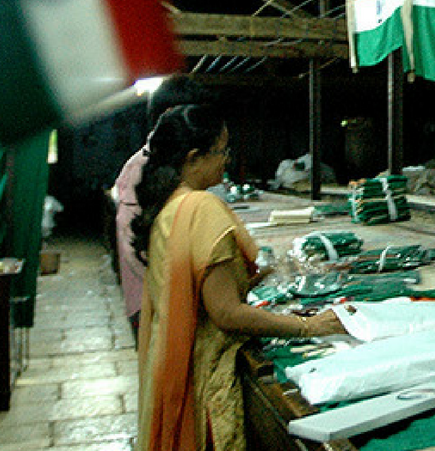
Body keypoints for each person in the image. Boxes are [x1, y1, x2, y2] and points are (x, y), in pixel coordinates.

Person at [134, 104, 347, 451]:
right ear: (193, 158)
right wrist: (308, 327)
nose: (226, 160)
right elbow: (225, 313)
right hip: (203, 375)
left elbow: (195, 293)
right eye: (221, 151)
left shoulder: (169, 207)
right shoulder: (201, 208)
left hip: (172, 363)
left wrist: (259, 274)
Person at [113, 75, 209, 339]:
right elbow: (134, 247)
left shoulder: (173, 162)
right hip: (152, 304)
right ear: (171, 115)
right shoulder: (140, 169)